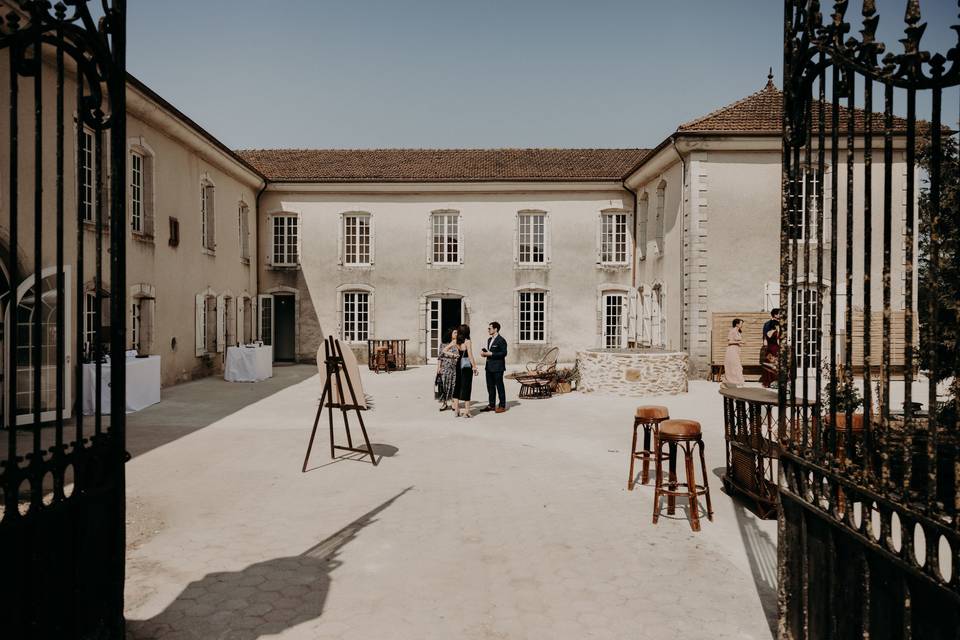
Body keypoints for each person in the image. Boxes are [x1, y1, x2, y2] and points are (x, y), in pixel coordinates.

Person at [480, 321, 508, 413]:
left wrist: (491, 353)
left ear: (495, 329)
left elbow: (504, 353)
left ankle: (502, 405)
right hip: (489, 367)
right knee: (490, 387)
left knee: (499, 386)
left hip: (498, 367)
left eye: (490, 328)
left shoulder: (501, 340)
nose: (488, 330)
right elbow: (490, 353)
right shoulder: (489, 339)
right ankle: (491, 405)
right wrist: (485, 354)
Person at [452, 324, 479, 417]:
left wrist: (453, 355)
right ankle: (467, 411)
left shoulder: (456, 341)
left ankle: (456, 410)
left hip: (458, 364)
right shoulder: (467, 341)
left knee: (457, 385)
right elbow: (470, 355)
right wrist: (474, 367)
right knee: (467, 386)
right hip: (466, 365)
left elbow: (444, 350)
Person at [435, 328, 459, 411]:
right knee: (444, 386)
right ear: (450, 334)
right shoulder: (443, 344)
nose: (457, 334)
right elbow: (440, 357)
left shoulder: (458, 344)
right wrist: (438, 368)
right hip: (445, 368)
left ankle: (453, 403)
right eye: (455, 332)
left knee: (453, 385)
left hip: (455, 368)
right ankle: (444, 403)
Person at [722, 318, 745, 387]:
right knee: (734, 366)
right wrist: (739, 342)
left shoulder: (738, 331)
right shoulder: (732, 331)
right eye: (741, 323)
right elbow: (729, 341)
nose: (742, 325)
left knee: (736, 366)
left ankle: (736, 381)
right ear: (737, 324)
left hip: (736, 350)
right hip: (732, 350)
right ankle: (731, 381)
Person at [761, 319, 780, 388]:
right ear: (775, 326)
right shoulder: (776, 332)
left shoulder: (767, 332)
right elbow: (778, 342)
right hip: (775, 349)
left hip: (769, 350)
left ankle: (768, 382)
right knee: (775, 365)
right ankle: (775, 382)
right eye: (778, 325)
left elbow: (765, 343)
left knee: (768, 365)